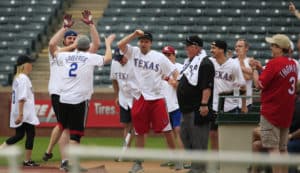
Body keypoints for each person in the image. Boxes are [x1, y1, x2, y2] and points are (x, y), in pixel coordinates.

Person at [43, 9, 100, 168]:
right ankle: (65, 161)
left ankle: (61, 158)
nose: (73, 40)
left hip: (75, 94)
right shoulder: (58, 53)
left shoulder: (81, 54)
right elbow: (52, 44)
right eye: (69, 38)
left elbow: (95, 45)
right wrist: (64, 28)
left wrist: (91, 25)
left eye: (75, 38)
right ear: (64, 40)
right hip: (58, 92)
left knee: (66, 128)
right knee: (65, 127)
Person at [117, 30, 178, 173]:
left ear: (151, 43)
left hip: (157, 98)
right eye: (142, 41)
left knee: (167, 130)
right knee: (139, 131)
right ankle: (138, 164)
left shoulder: (159, 57)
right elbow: (120, 44)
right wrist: (133, 34)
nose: (143, 43)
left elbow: (174, 70)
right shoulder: (134, 52)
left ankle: (176, 159)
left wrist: (175, 79)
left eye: (146, 41)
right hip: (140, 97)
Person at [54, 34, 115, 171]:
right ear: (88, 47)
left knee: (64, 129)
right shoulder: (89, 57)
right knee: (76, 134)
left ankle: (65, 162)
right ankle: (73, 165)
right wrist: (108, 44)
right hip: (79, 100)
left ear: (76, 45)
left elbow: (56, 52)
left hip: (63, 98)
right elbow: (108, 58)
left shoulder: (65, 56)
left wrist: (71, 46)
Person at [251, 34, 298, 173]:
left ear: (279, 48)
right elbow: (277, 79)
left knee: (273, 148)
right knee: (283, 149)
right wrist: (262, 69)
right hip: (286, 112)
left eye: (273, 45)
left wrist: (254, 70)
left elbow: (258, 85)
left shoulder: (274, 63)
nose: (270, 47)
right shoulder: (292, 64)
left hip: (272, 112)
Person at [177, 35, 215, 173]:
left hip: (197, 109)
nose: (185, 48)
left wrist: (204, 104)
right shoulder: (191, 63)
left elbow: (207, 86)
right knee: (185, 137)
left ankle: (199, 169)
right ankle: (196, 166)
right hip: (186, 109)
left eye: (188, 46)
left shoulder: (205, 64)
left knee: (199, 141)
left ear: (196, 47)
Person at [0, 55, 40, 167]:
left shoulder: (17, 77)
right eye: (29, 63)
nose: (31, 65)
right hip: (24, 112)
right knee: (29, 134)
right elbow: (22, 97)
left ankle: (26, 160)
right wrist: (21, 114)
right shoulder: (23, 78)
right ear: (24, 65)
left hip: (20, 111)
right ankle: (27, 160)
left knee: (20, 135)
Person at [209, 40, 246, 151]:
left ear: (221, 50)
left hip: (230, 106)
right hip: (215, 106)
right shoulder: (210, 62)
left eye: (214, 48)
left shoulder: (233, 65)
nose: (211, 50)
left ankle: (230, 164)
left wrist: (243, 105)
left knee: (229, 138)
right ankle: (216, 163)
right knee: (213, 135)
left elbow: (243, 86)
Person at [110, 48, 139, 161]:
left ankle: (137, 154)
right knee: (127, 125)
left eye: (122, 58)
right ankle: (126, 152)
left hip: (136, 98)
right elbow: (114, 80)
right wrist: (117, 95)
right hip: (123, 98)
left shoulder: (135, 62)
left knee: (138, 127)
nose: (121, 61)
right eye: (118, 59)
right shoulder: (115, 63)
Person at [160, 45, 184, 170]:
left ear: (174, 55)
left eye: (169, 54)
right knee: (167, 133)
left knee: (178, 132)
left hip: (176, 105)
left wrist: (170, 79)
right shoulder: (159, 69)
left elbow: (179, 86)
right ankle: (172, 158)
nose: (167, 57)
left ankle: (181, 159)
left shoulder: (179, 68)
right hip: (163, 106)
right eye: (164, 55)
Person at [234, 39, 254, 111]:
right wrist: (246, 71)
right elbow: (246, 76)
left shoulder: (251, 61)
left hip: (247, 102)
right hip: (233, 102)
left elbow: (248, 77)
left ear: (246, 48)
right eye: (236, 46)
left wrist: (240, 64)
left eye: (240, 46)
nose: (237, 48)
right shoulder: (232, 61)